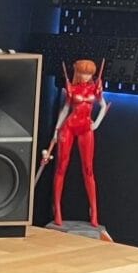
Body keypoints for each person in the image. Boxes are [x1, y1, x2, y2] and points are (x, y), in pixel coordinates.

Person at [40, 58, 109, 231]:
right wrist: (56, 130)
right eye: (83, 73)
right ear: (78, 73)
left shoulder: (95, 89)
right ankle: (58, 210)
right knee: (61, 168)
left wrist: (97, 123)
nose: (86, 77)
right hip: (69, 127)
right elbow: (65, 109)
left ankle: (94, 212)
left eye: (89, 74)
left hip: (86, 127)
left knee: (88, 169)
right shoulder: (72, 89)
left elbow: (103, 105)